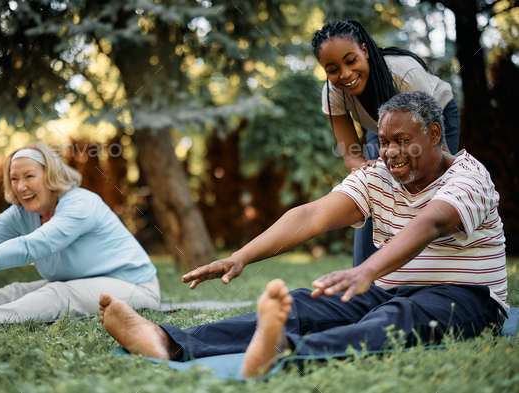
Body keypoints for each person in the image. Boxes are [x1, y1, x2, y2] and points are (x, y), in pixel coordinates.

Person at [96, 92, 507, 378]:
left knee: (394, 319)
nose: (391, 152)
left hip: (464, 295)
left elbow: (430, 224)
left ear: (435, 135)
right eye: (384, 142)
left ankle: (286, 356)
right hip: (386, 287)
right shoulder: (379, 176)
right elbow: (312, 216)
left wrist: (368, 270)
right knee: (302, 305)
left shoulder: (469, 178)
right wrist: (242, 255)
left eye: (404, 141)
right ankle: (167, 341)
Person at [0, 142, 160, 329]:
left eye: (29, 176)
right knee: (16, 291)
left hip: (135, 286)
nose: (20, 187)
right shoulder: (21, 214)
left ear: (51, 176)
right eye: (14, 178)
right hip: (79, 282)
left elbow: (32, 246)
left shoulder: (80, 204)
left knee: (58, 294)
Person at [312, 19, 461, 266]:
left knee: (428, 183)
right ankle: (364, 279)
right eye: (333, 69)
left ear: (365, 51)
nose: (345, 74)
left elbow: (436, 152)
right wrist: (368, 174)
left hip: (435, 117)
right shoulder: (332, 94)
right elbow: (351, 156)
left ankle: (428, 270)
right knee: (369, 187)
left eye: (350, 61)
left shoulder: (405, 74)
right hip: (379, 129)